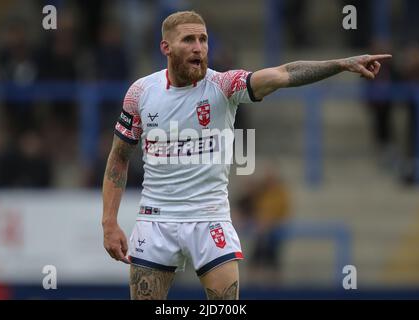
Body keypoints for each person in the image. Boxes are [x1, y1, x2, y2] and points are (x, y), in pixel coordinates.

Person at [101, 11, 391, 300]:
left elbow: (283, 74)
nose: (198, 47)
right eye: (188, 39)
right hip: (156, 219)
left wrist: (340, 64)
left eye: (203, 40)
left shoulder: (224, 86)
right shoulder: (140, 93)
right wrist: (109, 223)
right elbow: (119, 157)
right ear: (166, 47)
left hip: (209, 217)